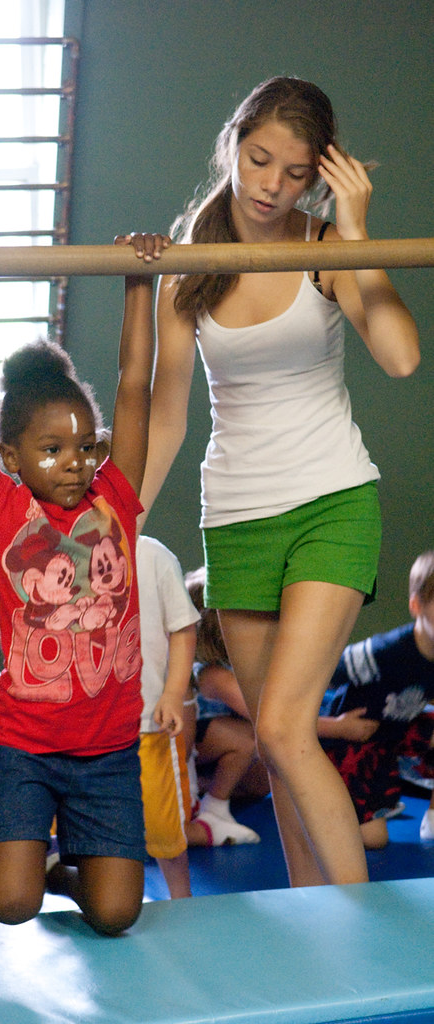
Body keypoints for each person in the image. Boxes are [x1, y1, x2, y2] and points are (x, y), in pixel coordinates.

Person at [139, 76, 419, 887]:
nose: (270, 185)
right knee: (272, 738)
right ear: (231, 144)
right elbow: (164, 415)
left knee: (291, 727)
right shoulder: (188, 268)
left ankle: (360, 947)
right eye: (258, 160)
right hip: (236, 514)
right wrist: (122, 523)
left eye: (294, 173)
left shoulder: (324, 252)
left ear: (319, 176)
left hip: (331, 500)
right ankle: (313, 916)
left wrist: (356, 230)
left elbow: (400, 358)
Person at [0, 229, 168, 935]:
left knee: (117, 915)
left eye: (85, 447)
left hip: (106, 751)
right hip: (25, 747)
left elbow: (135, 386)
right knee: (10, 905)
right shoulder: (2, 509)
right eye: (52, 449)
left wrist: (137, 280)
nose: (75, 462)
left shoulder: (115, 499)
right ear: (12, 456)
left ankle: (65, 868)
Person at [319, 550, 434, 849]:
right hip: (352, 742)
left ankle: (430, 817)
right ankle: (315, 814)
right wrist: (335, 726)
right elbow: (317, 676)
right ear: (416, 606)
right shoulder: (384, 653)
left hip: (391, 737)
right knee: (374, 840)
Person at [135, 533, 201, 898]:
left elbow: (182, 627)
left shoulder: (153, 555)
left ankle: (181, 898)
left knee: (164, 829)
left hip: (147, 725)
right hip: (85, 730)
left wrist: (174, 694)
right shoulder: (55, 548)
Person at [184, 567, 264, 844]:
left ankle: (205, 788)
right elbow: (262, 713)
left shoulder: (227, 666)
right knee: (250, 739)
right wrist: (338, 728)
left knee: (263, 778)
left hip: (210, 742)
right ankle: (214, 808)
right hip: (195, 740)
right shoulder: (213, 673)